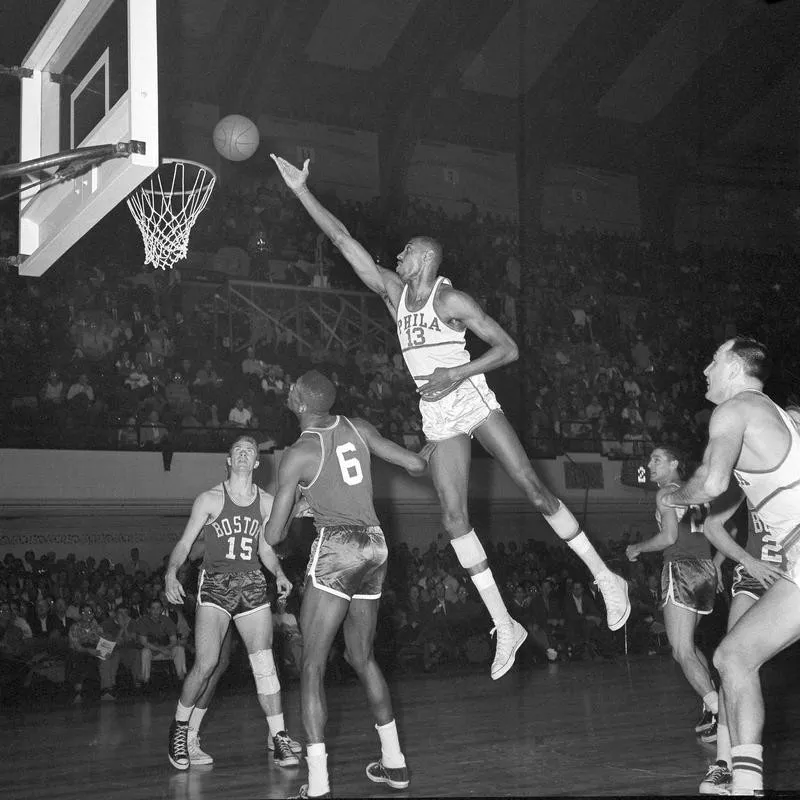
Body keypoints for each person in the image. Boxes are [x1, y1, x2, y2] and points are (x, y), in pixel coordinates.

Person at [271, 154, 630, 682]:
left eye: (406, 251)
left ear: (427, 259)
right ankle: (504, 624)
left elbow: (508, 349)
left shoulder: (453, 301)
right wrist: (303, 192)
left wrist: (457, 375)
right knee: (453, 517)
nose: (397, 255)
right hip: (434, 409)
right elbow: (346, 240)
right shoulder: (395, 295)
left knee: (532, 486)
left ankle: (605, 577)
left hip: (470, 396)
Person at [262, 370, 430, 799]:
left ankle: (317, 785)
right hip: (376, 545)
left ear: (300, 404)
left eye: (291, 387)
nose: (287, 389)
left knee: (312, 667)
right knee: (362, 656)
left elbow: (275, 536)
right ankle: (394, 764)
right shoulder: (360, 427)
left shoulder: (299, 453)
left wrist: (297, 501)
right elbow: (415, 463)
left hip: (339, 546)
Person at [661, 337, 800, 795]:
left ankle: (742, 784)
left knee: (732, 657)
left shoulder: (735, 409)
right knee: (732, 657)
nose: (705, 367)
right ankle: (740, 781)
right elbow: (720, 494)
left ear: (736, 368)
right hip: (792, 559)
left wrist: (672, 497)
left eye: (714, 359)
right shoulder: (784, 418)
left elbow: (709, 481)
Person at [163, 435, 301, 771]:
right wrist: (170, 573)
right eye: (237, 450)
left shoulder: (267, 502)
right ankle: (180, 729)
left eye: (249, 451)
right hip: (215, 585)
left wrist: (280, 573)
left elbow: (265, 548)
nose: (243, 454)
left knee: (265, 665)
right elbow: (184, 544)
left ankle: (279, 737)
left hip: (252, 584)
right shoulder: (209, 499)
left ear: (256, 462)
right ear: (229, 459)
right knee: (207, 664)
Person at [626, 446, 719, 739]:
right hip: (704, 570)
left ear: (674, 463)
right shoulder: (694, 493)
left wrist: (638, 547)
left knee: (680, 649)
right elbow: (708, 532)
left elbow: (669, 537)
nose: (650, 464)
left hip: (681, 569)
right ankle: (712, 704)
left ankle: (721, 712)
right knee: (687, 647)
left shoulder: (666, 492)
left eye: (657, 459)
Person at [696, 487, 785, 794]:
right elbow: (713, 526)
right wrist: (744, 561)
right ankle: (724, 765)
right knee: (729, 662)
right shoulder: (744, 474)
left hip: (792, 577)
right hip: (755, 576)